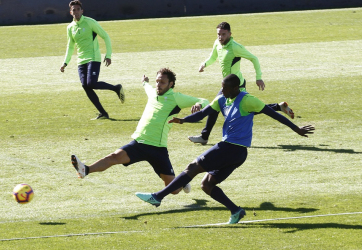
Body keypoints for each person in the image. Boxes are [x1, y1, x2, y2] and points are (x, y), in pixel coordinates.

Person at [136, 74, 314, 224]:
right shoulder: (223, 98)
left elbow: (274, 114)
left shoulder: (248, 100)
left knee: (193, 167)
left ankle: (158, 197)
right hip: (235, 152)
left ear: (236, 88)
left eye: (226, 88)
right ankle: (236, 211)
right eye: (222, 87)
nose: (223, 91)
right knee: (207, 184)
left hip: (232, 148)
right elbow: (203, 113)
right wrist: (182, 120)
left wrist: (296, 129)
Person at [71, 68, 209, 194]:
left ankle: (182, 182)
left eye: (162, 82)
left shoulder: (176, 98)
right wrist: (145, 82)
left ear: (171, 84)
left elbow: (205, 100)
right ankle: (86, 170)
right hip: (139, 143)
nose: (158, 85)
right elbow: (148, 88)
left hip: (157, 148)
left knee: (174, 190)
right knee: (113, 157)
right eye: (157, 81)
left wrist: (198, 104)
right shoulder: (153, 92)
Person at [189, 21, 294, 145]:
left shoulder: (235, 47)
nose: (220, 37)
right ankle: (204, 136)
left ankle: (204, 136)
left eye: (223, 34)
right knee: (217, 107)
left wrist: (258, 77)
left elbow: (253, 58)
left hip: (236, 86)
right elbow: (213, 57)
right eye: (218, 34)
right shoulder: (217, 43)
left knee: (243, 109)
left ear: (230, 34)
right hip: (227, 85)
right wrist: (204, 64)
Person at [60, 0, 125, 120]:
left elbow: (105, 36)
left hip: (93, 58)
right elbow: (70, 46)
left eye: (78, 9)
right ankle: (103, 113)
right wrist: (65, 63)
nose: (76, 12)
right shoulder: (70, 27)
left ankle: (116, 88)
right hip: (81, 61)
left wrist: (108, 55)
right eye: (74, 10)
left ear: (82, 11)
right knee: (85, 85)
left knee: (91, 83)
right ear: (70, 12)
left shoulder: (90, 22)